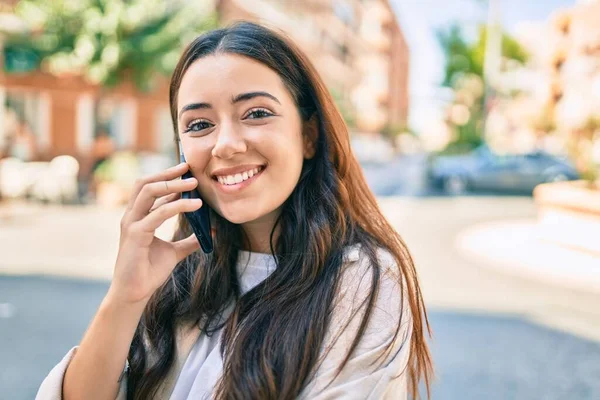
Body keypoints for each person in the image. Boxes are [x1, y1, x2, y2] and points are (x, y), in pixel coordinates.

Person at [36, 21, 433, 399]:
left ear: (309, 135)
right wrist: (125, 296)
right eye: (198, 124)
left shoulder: (359, 278)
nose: (225, 144)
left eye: (256, 114)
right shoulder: (182, 273)